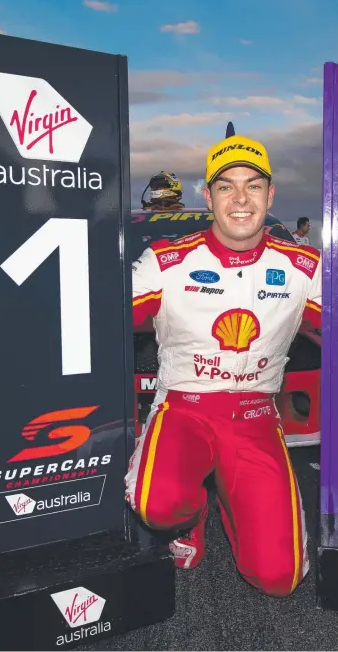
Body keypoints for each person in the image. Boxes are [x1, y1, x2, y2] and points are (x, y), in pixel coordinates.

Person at [125, 133, 321, 597]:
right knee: (159, 503)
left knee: (278, 579)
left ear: (269, 196)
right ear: (208, 195)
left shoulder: (305, 267)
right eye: (226, 186)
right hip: (183, 411)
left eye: (253, 186)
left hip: (256, 418)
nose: (240, 199)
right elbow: (96, 315)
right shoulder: (165, 262)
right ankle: (188, 520)